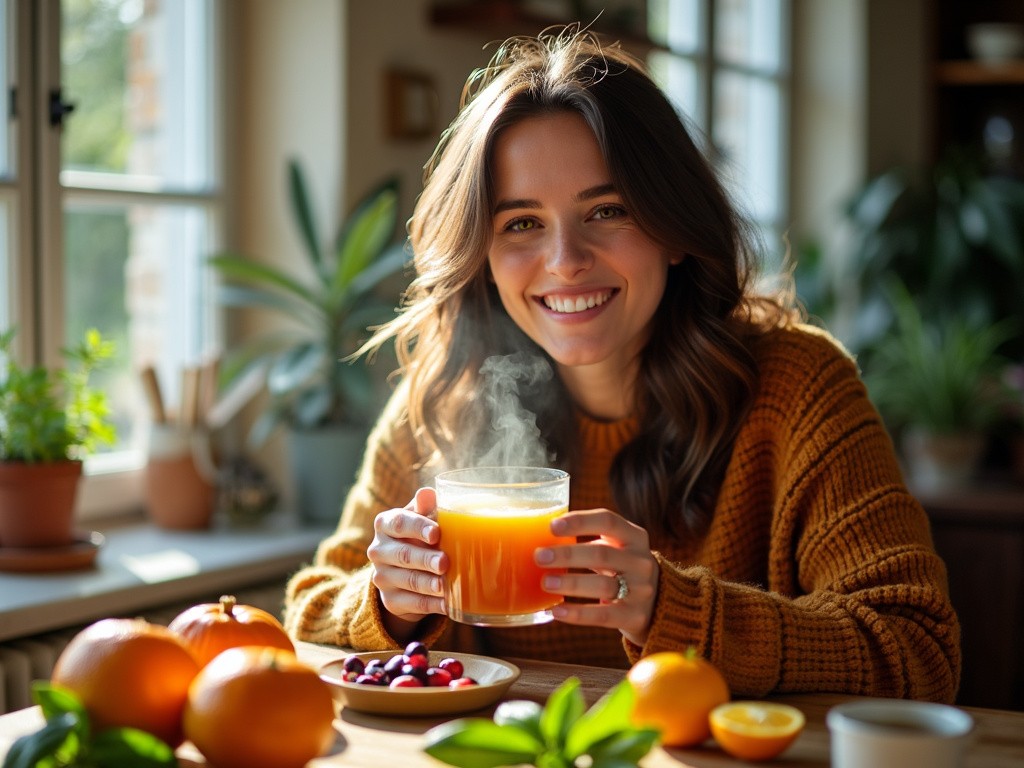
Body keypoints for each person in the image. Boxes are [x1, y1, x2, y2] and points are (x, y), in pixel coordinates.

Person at [284, 28, 960, 703]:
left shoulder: (797, 390)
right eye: (521, 223)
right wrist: (387, 603)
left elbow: (919, 650)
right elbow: (311, 612)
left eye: (608, 211)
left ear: (673, 231)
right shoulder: (443, 401)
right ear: (482, 255)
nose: (566, 261)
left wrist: (673, 608)